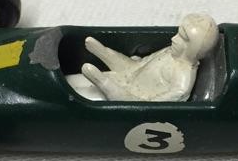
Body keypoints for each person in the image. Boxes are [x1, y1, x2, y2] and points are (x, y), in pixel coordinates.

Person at [68, 13, 218, 102]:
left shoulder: (182, 77)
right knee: (69, 81)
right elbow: (136, 67)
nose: (174, 39)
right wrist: (105, 53)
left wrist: (108, 86)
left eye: (182, 38)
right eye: (178, 33)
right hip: (123, 78)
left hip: (126, 97)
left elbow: (154, 106)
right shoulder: (170, 51)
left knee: (76, 97)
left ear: (193, 49)